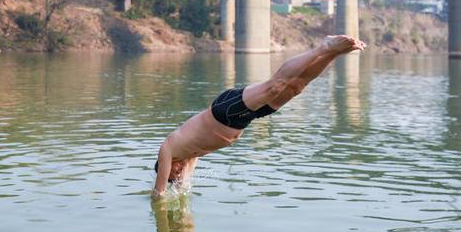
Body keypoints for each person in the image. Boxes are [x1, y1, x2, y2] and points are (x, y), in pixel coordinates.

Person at [152, 35, 366, 195]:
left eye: (171, 173)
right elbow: (182, 188)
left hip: (225, 110)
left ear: (164, 167)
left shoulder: (168, 150)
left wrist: (160, 196)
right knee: (296, 87)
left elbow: (159, 193)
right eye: (174, 175)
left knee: (275, 85)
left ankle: (323, 47)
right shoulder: (189, 157)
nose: (176, 174)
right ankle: (333, 53)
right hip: (243, 119)